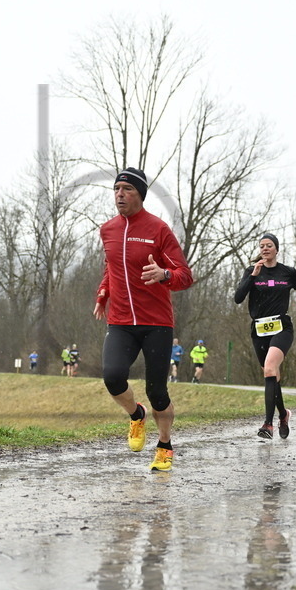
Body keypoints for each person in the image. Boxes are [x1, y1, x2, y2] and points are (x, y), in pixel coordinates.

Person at [93, 167, 193, 472]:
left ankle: (164, 445)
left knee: (157, 391)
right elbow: (112, 267)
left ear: (140, 194)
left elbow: (185, 276)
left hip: (156, 323)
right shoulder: (107, 230)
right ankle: (137, 415)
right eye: (116, 189)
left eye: (127, 189)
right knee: (112, 377)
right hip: (121, 320)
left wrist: (164, 275)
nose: (119, 194)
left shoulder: (158, 229)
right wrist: (103, 293)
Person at [233, 232, 296, 439]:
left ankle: (268, 424)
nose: (265, 249)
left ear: (276, 249)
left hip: (281, 328)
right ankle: (283, 415)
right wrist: (253, 276)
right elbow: (238, 298)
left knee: (269, 368)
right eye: (261, 246)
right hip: (259, 330)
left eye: (269, 245)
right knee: (271, 375)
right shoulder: (252, 271)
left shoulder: (287, 272)